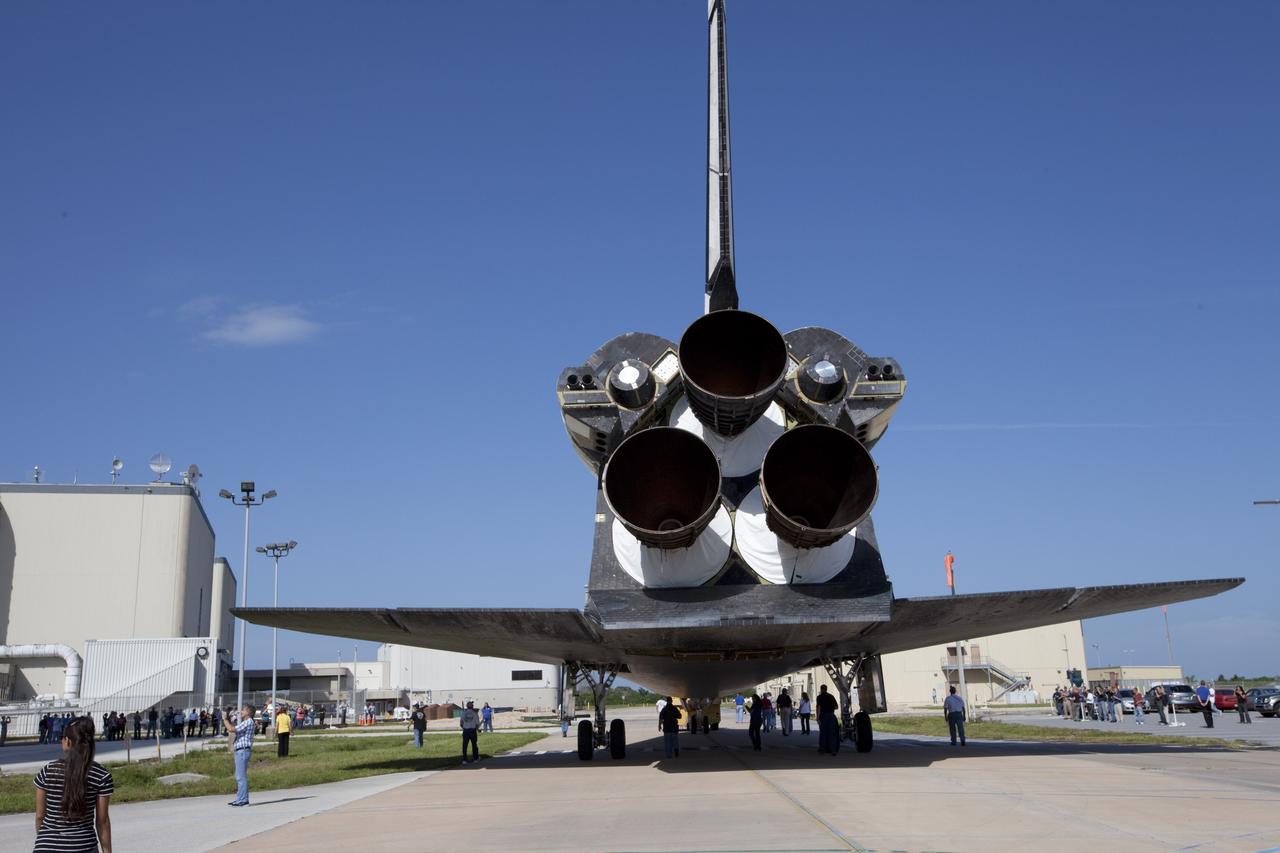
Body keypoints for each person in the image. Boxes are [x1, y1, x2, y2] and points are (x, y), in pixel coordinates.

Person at [33, 717, 113, 853]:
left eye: (62, 737)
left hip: (46, 846)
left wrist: (47, 839)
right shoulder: (101, 775)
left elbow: (40, 815)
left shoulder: (48, 770)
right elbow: (102, 822)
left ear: (68, 741)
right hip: (83, 846)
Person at [223, 704, 256, 806]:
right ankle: (239, 798)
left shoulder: (248, 722)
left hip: (243, 751)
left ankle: (243, 800)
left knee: (241, 777)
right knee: (239, 776)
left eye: (243, 710)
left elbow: (231, 729)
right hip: (241, 751)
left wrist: (225, 719)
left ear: (248, 712)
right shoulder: (246, 722)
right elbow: (235, 728)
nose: (241, 711)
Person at [815, 684, 839, 755]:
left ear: (821, 689)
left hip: (823, 716)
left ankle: (822, 749)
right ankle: (833, 750)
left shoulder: (819, 697)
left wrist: (818, 717)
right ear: (826, 689)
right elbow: (836, 707)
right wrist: (830, 708)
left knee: (823, 733)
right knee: (832, 733)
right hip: (831, 715)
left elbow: (818, 707)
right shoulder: (831, 696)